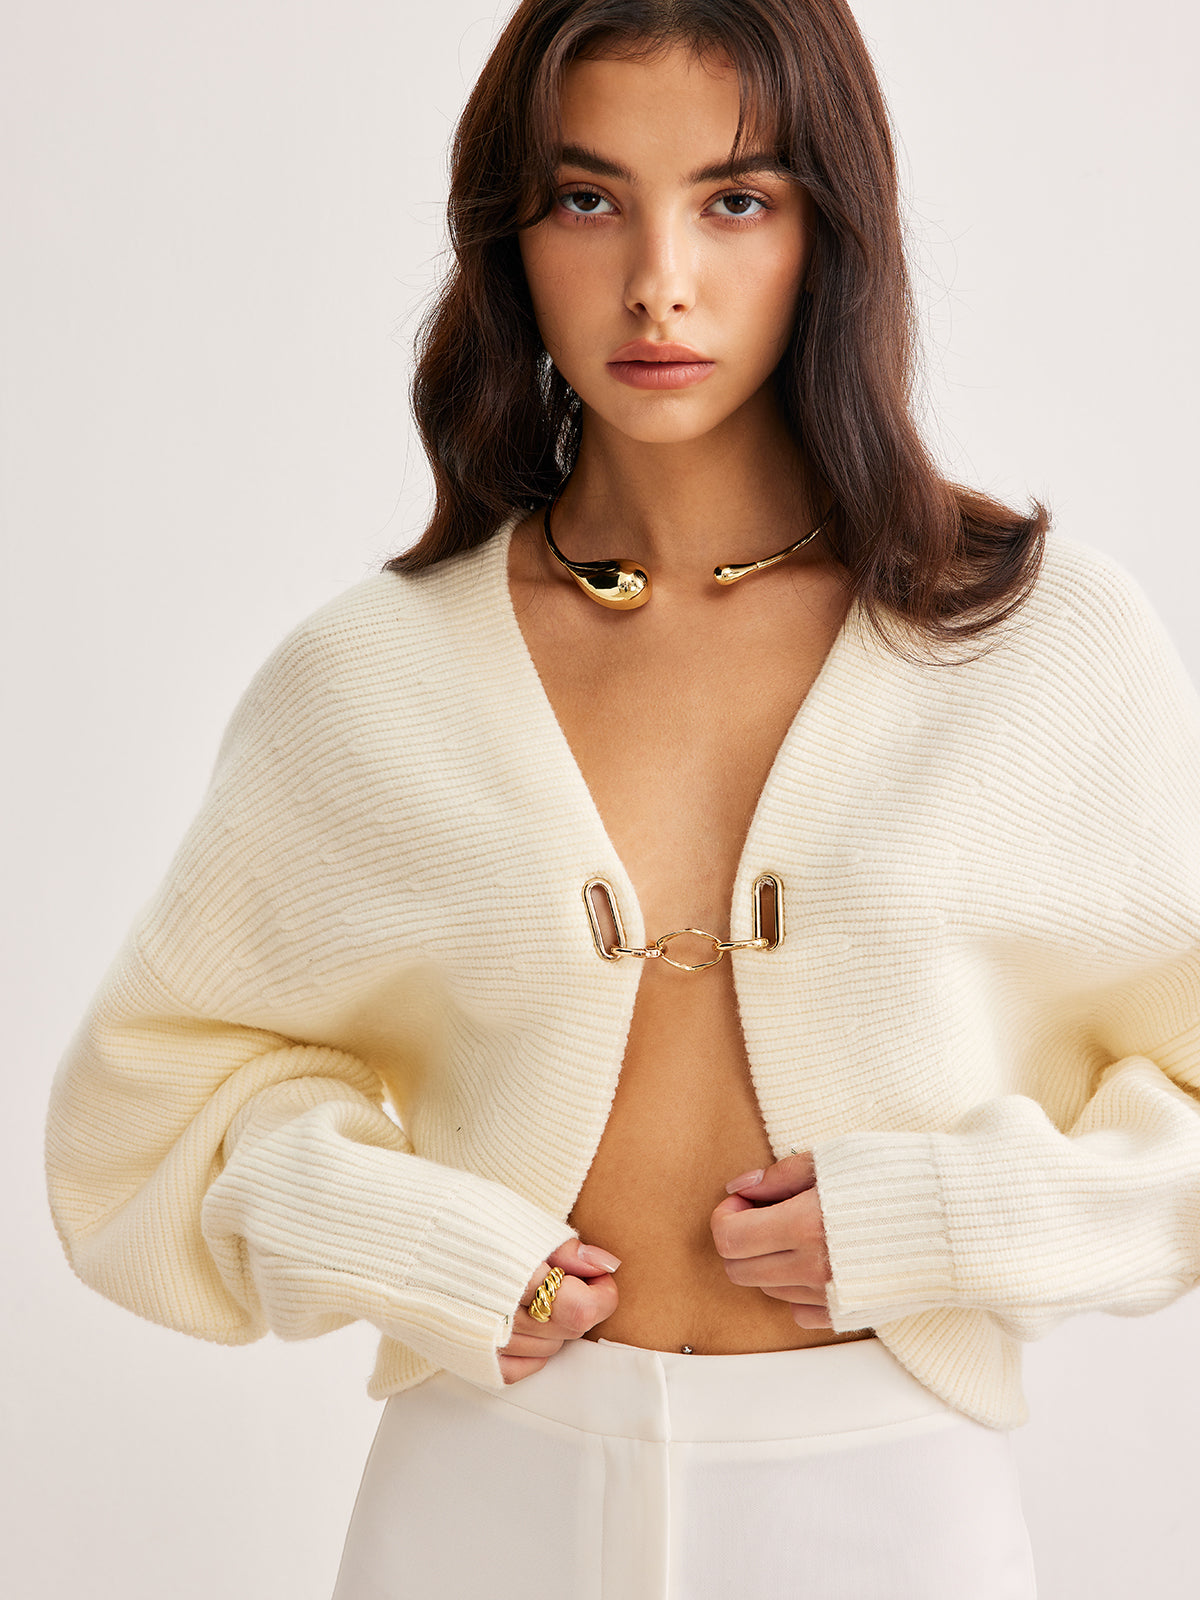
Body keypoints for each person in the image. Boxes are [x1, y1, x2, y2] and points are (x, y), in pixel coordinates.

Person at [44, 1, 1200, 1595]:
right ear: (507, 236)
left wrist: (951, 1219)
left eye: (736, 199)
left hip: (881, 1500)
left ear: (832, 231)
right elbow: (140, 1121)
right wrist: (414, 1240)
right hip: (480, 1499)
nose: (660, 278)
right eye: (589, 198)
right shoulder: (373, 676)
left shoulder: (1031, 644)